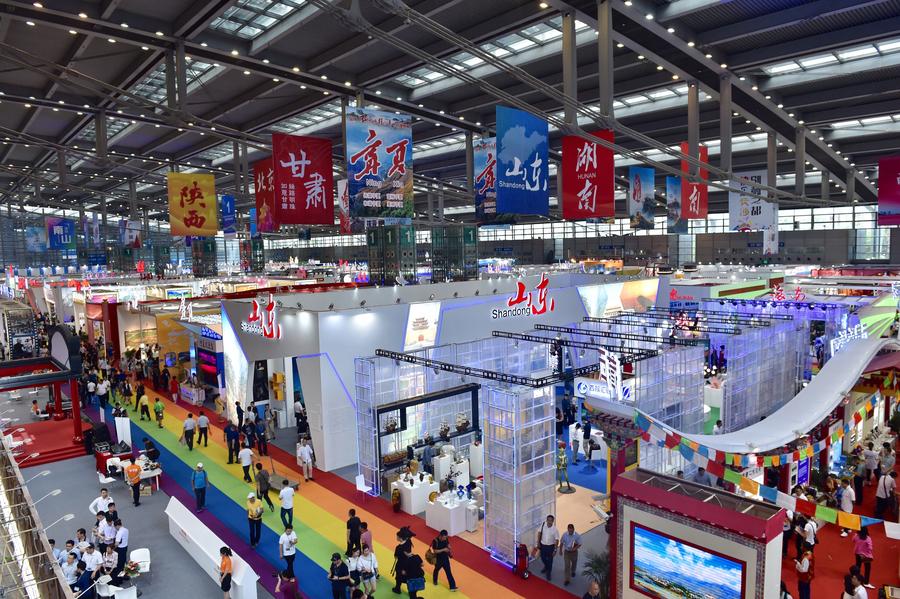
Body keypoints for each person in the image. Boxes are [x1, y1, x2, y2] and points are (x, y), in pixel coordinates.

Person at [391, 527, 415, 594]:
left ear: (400, 538)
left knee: (398, 577)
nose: (396, 537)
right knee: (408, 578)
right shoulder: (408, 541)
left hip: (401, 565)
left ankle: (397, 589)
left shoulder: (398, 547)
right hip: (408, 564)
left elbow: (396, 556)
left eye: (397, 536)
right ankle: (411, 592)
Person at [536, 514, 559, 581]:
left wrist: (555, 550)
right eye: (548, 520)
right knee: (542, 558)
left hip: (550, 547)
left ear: (553, 521)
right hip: (543, 545)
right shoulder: (543, 525)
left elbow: (557, 540)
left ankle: (548, 573)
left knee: (550, 560)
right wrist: (538, 543)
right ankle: (546, 567)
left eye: (551, 520)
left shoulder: (555, 530)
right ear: (546, 520)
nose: (549, 522)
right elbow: (539, 533)